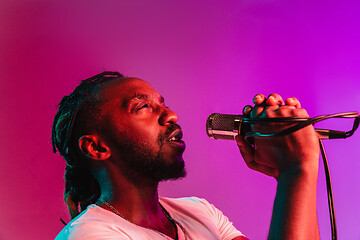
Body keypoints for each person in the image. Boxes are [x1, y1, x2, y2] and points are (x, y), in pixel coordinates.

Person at [52, 72, 320, 240]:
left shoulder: (200, 212)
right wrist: (296, 170)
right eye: (143, 106)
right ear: (97, 148)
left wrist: (294, 172)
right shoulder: (90, 235)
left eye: (163, 104)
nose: (171, 115)